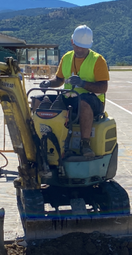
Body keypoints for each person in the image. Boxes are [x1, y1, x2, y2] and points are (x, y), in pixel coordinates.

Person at [39, 25, 109, 157]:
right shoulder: (66, 57)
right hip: (70, 97)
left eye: (83, 47)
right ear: (72, 42)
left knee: (83, 102)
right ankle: (40, 138)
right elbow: (59, 80)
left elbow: (103, 87)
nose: (80, 49)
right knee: (39, 99)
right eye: (77, 46)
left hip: (93, 101)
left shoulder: (98, 60)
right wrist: (49, 83)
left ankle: (85, 144)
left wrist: (83, 83)